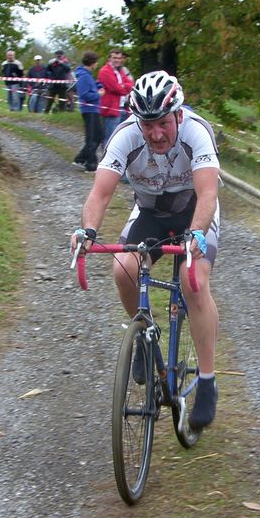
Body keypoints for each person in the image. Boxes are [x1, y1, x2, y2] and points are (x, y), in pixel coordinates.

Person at [70, 71, 221, 431]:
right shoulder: (125, 136)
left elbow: (208, 194)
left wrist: (196, 235)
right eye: (148, 124)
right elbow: (101, 192)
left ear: (178, 116)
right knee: (124, 268)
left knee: (193, 280)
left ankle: (208, 380)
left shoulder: (197, 132)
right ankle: (146, 334)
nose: (156, 133)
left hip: (194, 211)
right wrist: (88, 230)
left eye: (163, 123)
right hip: (151, 212)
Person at [72, 51, 104, 171]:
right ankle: (90, 164)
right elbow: (84, 94)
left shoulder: (88, 75)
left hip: (94, 109)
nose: (97, 64)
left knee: (98, 136)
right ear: (92, 62)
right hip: (89, 109)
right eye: (96, 62)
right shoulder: (84, 76)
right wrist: (98, 94)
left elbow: (94, 85)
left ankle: (81, 158)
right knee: (92, 138)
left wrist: (99, 85)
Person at [98, 48, 134, 144]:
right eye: (114, 58)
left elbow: (131, 85)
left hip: (122, 108)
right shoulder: (105, 71)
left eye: (119, 58)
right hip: (111, 109)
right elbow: (116, 88)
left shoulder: (121, 71)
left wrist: (124, 86)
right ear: (109, 58)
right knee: (110, 138)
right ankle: (106, 158)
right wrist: (124, 86)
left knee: (121, 137)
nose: (117, 60)